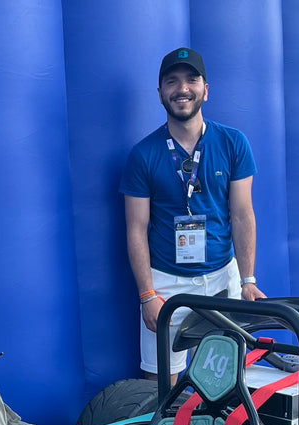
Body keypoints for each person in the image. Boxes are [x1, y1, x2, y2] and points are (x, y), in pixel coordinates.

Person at [121, 47, 266, 382]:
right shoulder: (143, 155)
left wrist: (247, 281)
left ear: (206, 89)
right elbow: (135, 229)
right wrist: (147, 295)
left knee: (223, 380)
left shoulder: (233, 143)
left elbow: (242, 214)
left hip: (221, 279)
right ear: (160, 94)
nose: (182, 88)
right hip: (166, 283)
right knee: (160, 387)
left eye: (191, 79)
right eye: (171, 81)